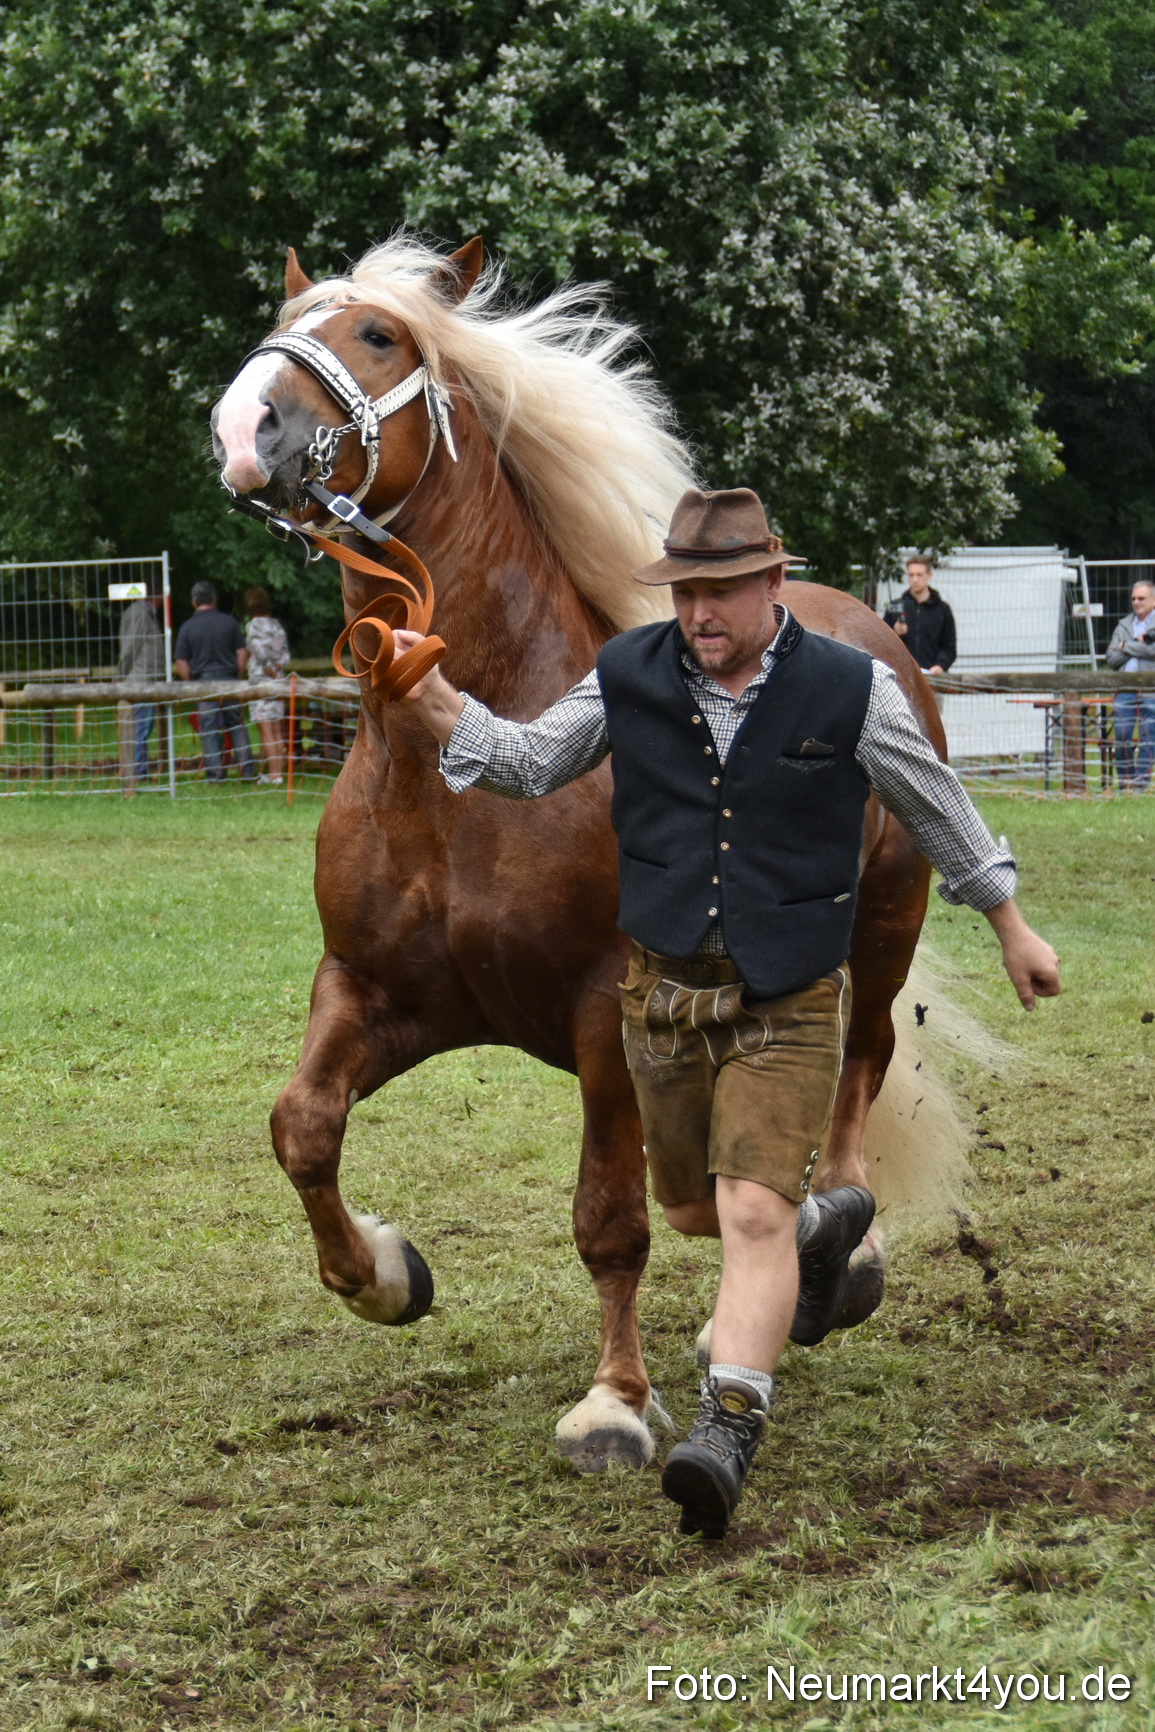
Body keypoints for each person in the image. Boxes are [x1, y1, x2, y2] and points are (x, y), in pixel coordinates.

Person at [393, 488, 1060, 1539]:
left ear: (772, 581)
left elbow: (938, 804)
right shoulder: (628, 675)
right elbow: (522, 763)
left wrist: (1011, 922)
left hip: (790, 992)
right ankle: (823, 1223)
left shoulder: (852, 689)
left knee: (748, 1214)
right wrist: (427, 696)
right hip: (661, 996)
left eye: (721, 591)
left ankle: (727, 1426)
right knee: (702, 1213)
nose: (700, 612)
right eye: (686, 591)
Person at [174, 581, 255, 783]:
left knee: (209, 729)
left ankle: (215, 774)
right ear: (214, 599)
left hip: (203, 682)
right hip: (229, 679)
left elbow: (181, 662)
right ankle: (247, 770)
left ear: (194, 602)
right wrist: (237, 675)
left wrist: (192, 683)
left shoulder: (187, 627)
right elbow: (242, 652)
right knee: (236, 724)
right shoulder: (229, 622)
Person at [1106, 578, 1155, 791]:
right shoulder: (1124, 624)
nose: (1136, 602)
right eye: (1134, 598)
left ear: (1153, 600)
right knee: (1122, 736)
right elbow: (1111, 657)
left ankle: (1141, 786)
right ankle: (1126, 783)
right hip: (1125, 689)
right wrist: (1138, 645)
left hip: (1151, 689)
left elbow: (1153, 651)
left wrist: (1125, 645)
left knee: (1148, 738)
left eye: (1141, 598)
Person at [244, 587, 291, 785]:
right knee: (277, 729)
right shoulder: (277, 626)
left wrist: (268, 668)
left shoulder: (253, 626)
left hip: (261, 679)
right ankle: (278, 773)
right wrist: (278, 667)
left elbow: (258, 651)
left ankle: (274, 775)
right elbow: (286, 654)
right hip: (278, 680)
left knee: (266, 729)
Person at [117, 595, 165, 783]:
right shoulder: (141, 613)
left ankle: (139, 769)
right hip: (140, 680)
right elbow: (130, 646)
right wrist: (121, 673)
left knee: (142, 727)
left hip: (144, 678)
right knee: (140, 727)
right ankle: (137, 772)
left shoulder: (142, 612)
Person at [884, 556, 957, 677]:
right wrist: (895, 633)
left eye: (919, 575)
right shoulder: (896, 607)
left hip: (932, 678)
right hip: (902, 678)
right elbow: (882, 643)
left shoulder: (942, 610)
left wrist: (940, 665)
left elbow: (949, 647)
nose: (915, 579)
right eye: (911, 575)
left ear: (929, 575)